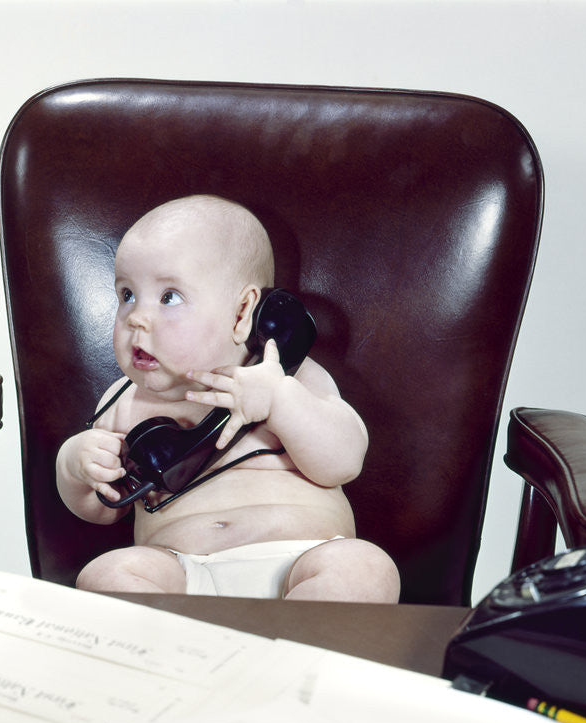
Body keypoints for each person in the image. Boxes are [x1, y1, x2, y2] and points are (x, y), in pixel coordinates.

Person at [55, 195, 401, 602]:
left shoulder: (288, 375)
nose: (136, 317)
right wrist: (77, 466)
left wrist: (280, 401)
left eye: (169, 297)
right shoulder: (123, 402)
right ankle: (180, 654)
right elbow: (102, 508)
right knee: (106, 574)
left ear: (242, 314)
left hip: (300, 566)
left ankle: (293, 656)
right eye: (127, 294)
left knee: (365, 569)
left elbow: (344, 461)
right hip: (182, 576)